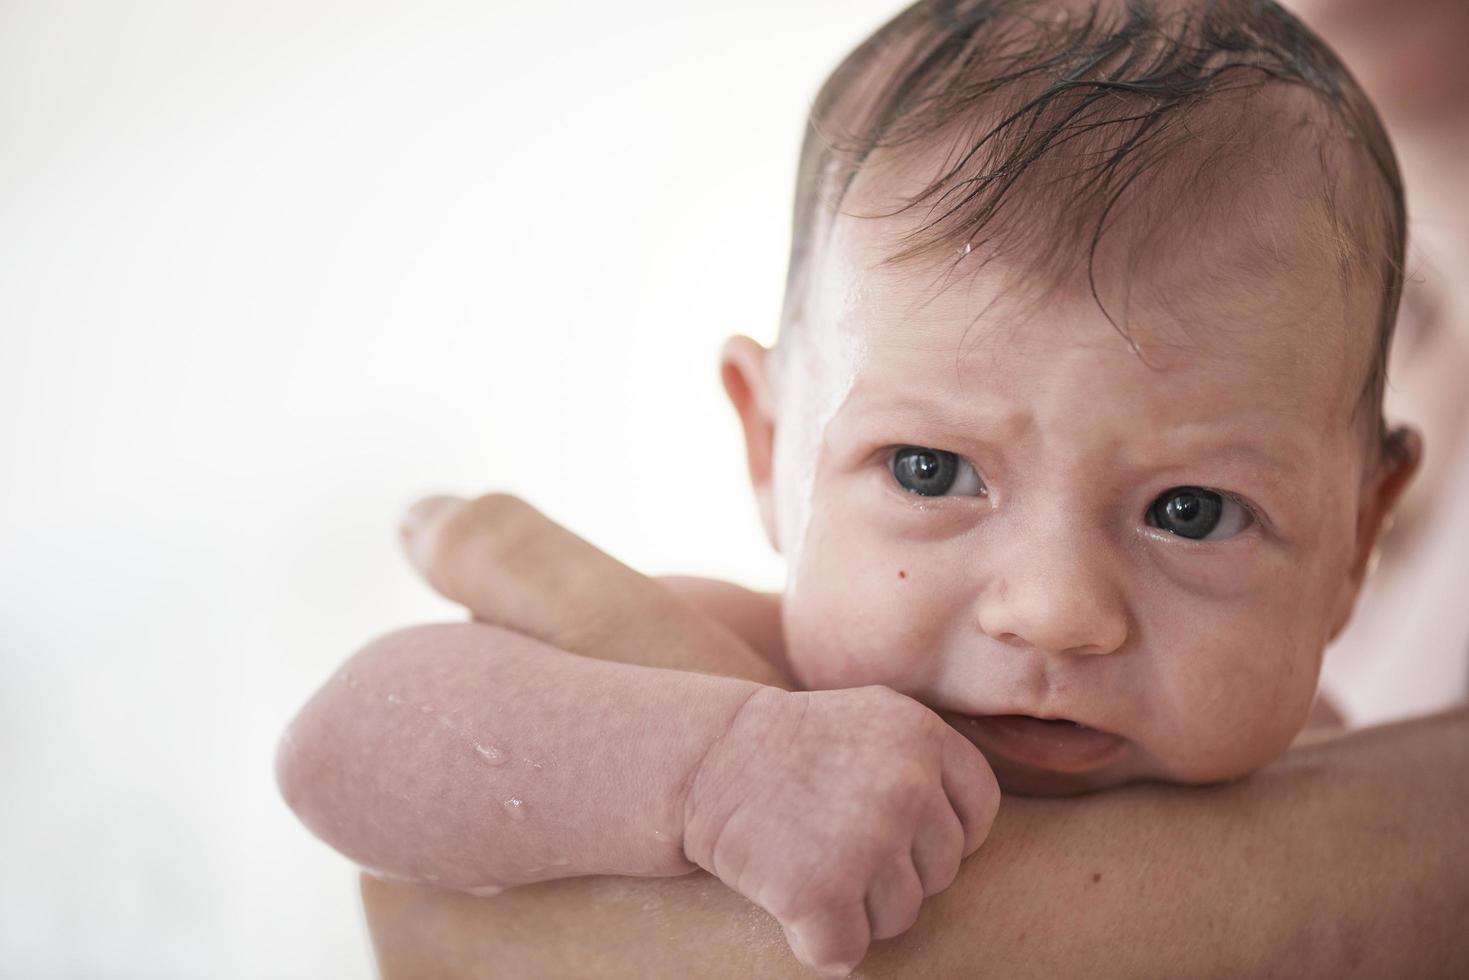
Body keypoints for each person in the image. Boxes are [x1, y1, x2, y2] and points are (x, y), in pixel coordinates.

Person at [276, 0, 1466, 974]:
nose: (1051, 608)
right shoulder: (739, 674)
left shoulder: (1322, 766)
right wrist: (708, 769)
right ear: (768, 444)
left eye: (1188, 510)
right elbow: (337, 743)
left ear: (1352, 539)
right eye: (928, 470)